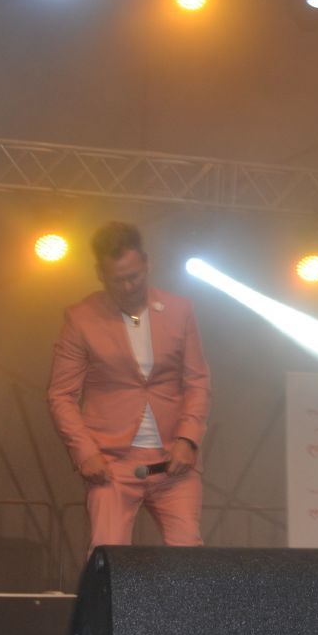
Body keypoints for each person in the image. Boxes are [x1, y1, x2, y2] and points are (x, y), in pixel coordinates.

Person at [47, 222, 211, 555]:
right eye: (117, 279)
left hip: (174, 459)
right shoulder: (81, 318)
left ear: (147, 263)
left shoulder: (180, 310)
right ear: (100, 274)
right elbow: (61, 395)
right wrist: (85, 453)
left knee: (189, 556)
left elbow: (197, 380)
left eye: (134, 276)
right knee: (108, 557)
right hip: (111, 464)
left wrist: (188, 439)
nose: (127, 286)